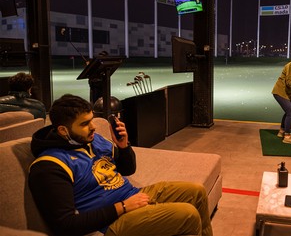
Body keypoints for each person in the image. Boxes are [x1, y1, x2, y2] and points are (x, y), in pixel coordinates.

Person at [28, 94, 212, 236]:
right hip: (111, 223)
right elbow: (66, 225)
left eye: (91, 119)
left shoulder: (94, 140)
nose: (93, 126)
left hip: (132, 196)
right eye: (85, 123)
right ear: (63, 130)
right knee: (188, 214)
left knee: (197, 192)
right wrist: (123, 206)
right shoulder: (49, 165)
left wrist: (123, 146)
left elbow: (128, 169)